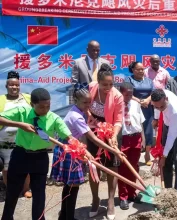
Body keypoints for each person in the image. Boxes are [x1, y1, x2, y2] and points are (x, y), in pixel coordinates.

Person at [51, 83, 123, 220]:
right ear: (75, 100)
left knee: (69, 186)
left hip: (72, 149)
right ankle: (69, 217)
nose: (88, 105)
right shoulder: (76, 117)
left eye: (90, 102)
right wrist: (115, 151)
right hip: (69, 151)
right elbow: (94, 139)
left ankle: (65, 216)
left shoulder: (78, 111)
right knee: (73, 186)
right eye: (85, 102)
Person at [0, 88, 73, 220]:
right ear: (32, 104)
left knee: (39, 196)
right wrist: (20, 125)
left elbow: (68, 136)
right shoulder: (22, 111)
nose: (45, 110)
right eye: (41, 107)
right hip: (20, 156)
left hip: (40, 159)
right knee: (12, 193)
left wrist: (79, 148)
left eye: (48, 106)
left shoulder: (53, 118)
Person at [87, 63, 124, 219]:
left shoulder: (117, 96)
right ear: (98, 82)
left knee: (112, 168)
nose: (108, 87)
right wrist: (91, 119)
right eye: (104, 84)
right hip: (94, 131)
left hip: (111, 132)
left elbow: (119, 120)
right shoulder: (91, 88)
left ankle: (110, 200)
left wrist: (114, 135)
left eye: (111, 84)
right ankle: (95, 199)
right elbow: (84, 106)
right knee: (94, 166)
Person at [151, 89, 177, 193]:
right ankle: (168, 192)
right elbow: (157, 108)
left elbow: (172, 135)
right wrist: (156, 119)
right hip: (167, 123)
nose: (160, 109)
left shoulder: (175, 110)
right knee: (166, 161)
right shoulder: (158, 97)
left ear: (166, 99)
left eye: (162, 107)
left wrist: (164, 155)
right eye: (156, 107)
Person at [0, 71, 32, 198]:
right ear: (6, 86)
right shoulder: (1, 100)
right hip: (5, 141)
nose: (14, 87)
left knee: (26, 165)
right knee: (7, 167)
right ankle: (11, 190)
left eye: (17, 85)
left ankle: (25, 189)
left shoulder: (27, 98)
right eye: (11, 85)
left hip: (25, 139)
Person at [118, 82, 146, 210]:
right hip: (123, 139)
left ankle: (131, 193)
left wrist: (143, 140)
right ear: (121, 93)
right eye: (127, 94)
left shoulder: (136, 104)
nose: (129, 96)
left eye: (131, 94)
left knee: (134, 167)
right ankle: (123, 196)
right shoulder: (117, 105)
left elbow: (140, 123)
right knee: (123, 168)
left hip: (136, 138)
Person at [126, 61, 154, 166]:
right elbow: (127, 92)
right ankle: (135, 155)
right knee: (135, 130)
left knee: (148, 131)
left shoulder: (149, 81)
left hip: (147, 108)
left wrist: (147, 100)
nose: (141, 71)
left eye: (142, 69)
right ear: (133, 70)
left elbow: (153, 92)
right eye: (138, 69)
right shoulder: (128, 79)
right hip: (133, 108)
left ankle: (147, 154)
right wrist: (139, 101)